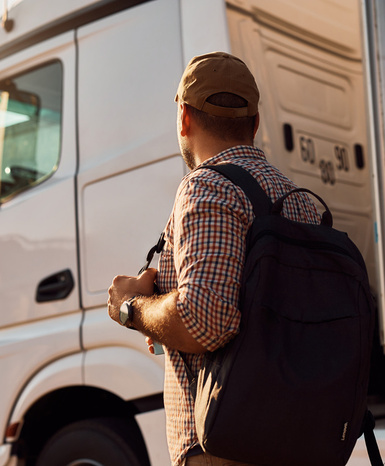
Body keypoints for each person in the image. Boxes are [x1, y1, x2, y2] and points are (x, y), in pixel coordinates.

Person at [107, 52, 321, 466]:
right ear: (255, 124)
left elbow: (204, 321)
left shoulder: (206, 187)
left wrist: (132, 308)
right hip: (300, 437)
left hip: (225, 447)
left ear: (184, 118)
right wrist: (165, 307)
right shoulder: (300, 202)